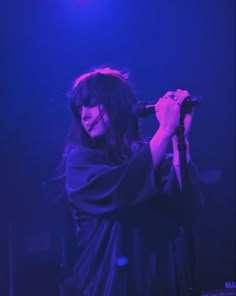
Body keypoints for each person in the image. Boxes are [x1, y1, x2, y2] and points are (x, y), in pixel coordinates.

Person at [62, 66, 201, 296]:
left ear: (116, 105)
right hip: (106, 287)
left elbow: (188, 209)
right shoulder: (80, 165)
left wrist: (179, 140)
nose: (83, 115)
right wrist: (165, 130)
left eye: (90, 103)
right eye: (79, 109)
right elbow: (124, 188)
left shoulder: (154, 159)